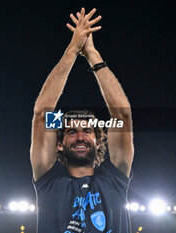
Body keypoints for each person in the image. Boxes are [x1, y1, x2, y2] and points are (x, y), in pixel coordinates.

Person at [30, 7, 134, 233]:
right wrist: (72, 50)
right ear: (59, 143)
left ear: (98, 141)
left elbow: (121, 116)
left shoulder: (114, 178)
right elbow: (43, 114)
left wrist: (92, 54)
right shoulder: (49, 179)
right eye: (70, 131)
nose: (80, 136)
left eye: (88, 131)